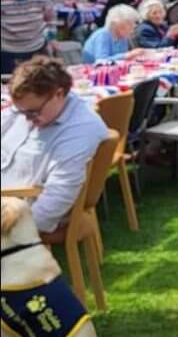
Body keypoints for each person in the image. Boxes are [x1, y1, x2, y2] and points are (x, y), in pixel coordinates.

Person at [1, 56, 110, 233]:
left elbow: (58, 196)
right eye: (22, 112)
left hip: (18, 211)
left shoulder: (80, 129)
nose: (27, 119)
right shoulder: (32, 108)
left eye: (33, 112)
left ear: (58, 94)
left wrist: (17, 231)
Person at [1, 0, 55, 74]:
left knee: (40, 81)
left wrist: (50, 35)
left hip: (36, 48)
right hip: (6, 50)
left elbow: (50, 16)